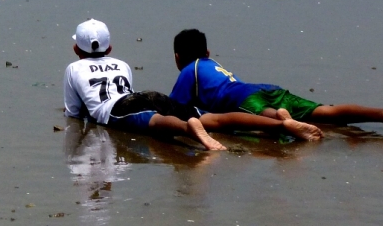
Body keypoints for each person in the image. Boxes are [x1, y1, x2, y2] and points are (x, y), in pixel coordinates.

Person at [64, 19, 322, 151]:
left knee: (155, 122)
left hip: (119, 108)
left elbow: (74, 112)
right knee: (218, 120)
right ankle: (281, 125)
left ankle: (189, 128)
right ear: (110, 47)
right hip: (147, 96)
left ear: (76, 48)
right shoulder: (121, 64)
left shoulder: (73, 68)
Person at [170, 28, 383, 135]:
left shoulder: (189, 71)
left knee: (265, 114)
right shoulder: (214, 66)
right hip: (265, 89)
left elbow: (173, 108)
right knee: (324, 111)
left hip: (242, 98)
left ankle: (284, 120)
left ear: (177, 57)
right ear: (208, 52)